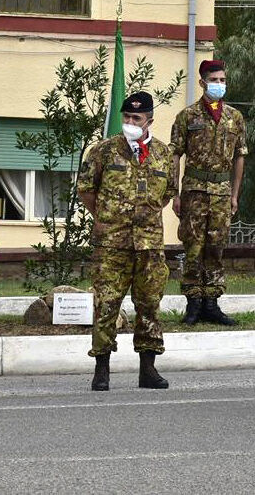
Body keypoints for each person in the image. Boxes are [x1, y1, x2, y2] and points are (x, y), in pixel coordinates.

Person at [78, 91, 175, 391]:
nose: (130, 122)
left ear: (149, 121)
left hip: (149, 245)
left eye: (137, 118)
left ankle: (148, 369)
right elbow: (85, 189)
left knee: (149, 304)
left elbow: (168, 192)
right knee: (106, 303)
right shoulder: (104, 151)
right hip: (112, 244)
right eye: (127, 117)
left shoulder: (163, 154)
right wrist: (105, 218)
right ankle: (102, 368)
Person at [170, 59, 247, 325]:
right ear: (202, 82)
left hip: (222, 191)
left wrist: (235, 194)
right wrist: (175, 193)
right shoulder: (187, 116)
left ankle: (212, 304)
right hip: (194, 191)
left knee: (216, 247)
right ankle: (193, 304)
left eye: (223, 80)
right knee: (193, 247)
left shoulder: (234, 117)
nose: (219, 85)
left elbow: (240, 157)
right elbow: (175, 155)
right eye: (214, 80)